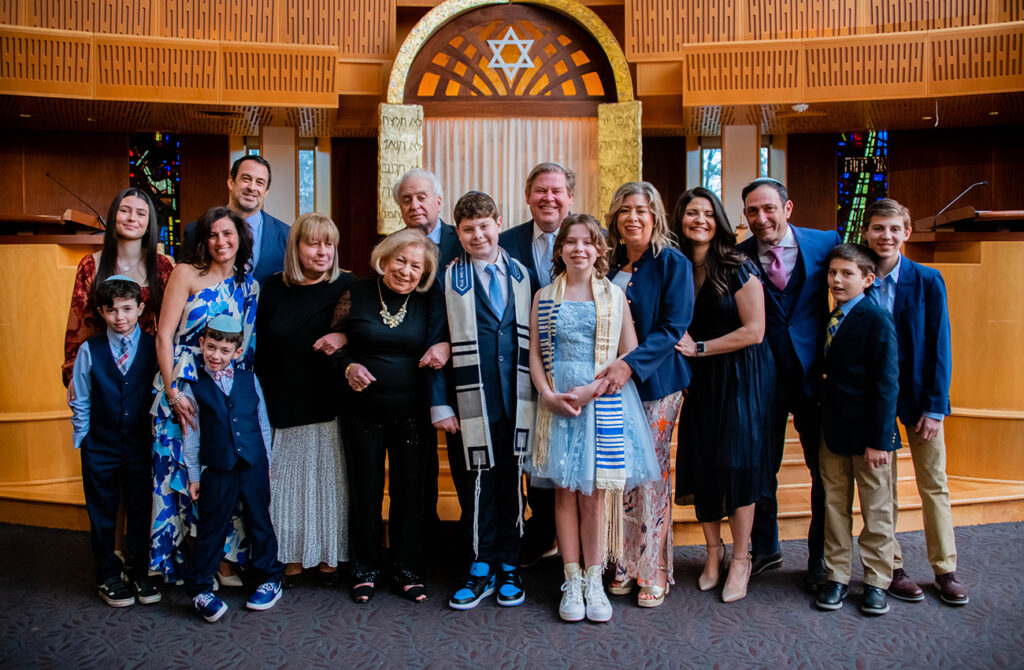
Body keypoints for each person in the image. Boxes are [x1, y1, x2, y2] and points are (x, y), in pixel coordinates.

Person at [529, 214, 660, 623]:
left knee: (595, 496)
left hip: (601, 401)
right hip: (559, 403)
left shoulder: (613, 296)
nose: (579, 248)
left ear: (599, 249)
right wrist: (548, 394)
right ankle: (570, 579)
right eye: (570, 242)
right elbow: (534, 354)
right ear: (560, 249)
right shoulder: (545, 295)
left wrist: (591, 390)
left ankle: (594, 579)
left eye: (588, 242)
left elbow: (628, 354)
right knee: (564, 494)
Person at [860, 199, 967, 606]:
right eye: (877, 229)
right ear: (866, 233)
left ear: (907, 233)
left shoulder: (927, 279)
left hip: (922, 399)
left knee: (933, 484)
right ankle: (892, 565)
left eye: (893, 229)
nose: (885, 236)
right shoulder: (859, 279)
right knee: (882, 489)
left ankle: (945, 569)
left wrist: (936, 406)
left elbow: (941, 345)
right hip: (877, 401)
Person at [671, 188, 776, 603]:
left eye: (707, 214)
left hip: (740, 374)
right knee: (702, 462)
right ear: (680, 219)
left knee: (736, 463)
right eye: (691, 213)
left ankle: (742, 557)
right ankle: (713, 554)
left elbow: (755, 330)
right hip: (701, 379)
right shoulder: (676, 267)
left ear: (718, 220)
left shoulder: (737, 265)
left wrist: (700, 348)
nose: (700, 220)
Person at [736, 177, 841, 592]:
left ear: (788, 208)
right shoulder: (737, 255)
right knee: (762, 465)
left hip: (817, 375)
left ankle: (820, 558)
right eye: (752, 212)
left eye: (768, 209)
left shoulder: (825, 243)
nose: (761, 219)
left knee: (823, 470)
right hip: (762, 376)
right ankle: (765, 547)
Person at [433, 191, 535, 610]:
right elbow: (435, 340)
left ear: (498, 222)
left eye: (484, 226)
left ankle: (509, 563)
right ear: (458, 232)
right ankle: (480, 565)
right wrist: (440, 402)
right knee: (477, 486)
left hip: (518, 399)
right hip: (469, 401)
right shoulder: (446, 278)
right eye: (468, 229)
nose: (478, 235)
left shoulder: (524, 276)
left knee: (512, 485)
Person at [332, 228, 443, 604]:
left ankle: (407, 569)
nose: (406, 271)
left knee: (409, 494)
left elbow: (443, 339)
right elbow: (333, 345)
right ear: (385, 257)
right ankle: (364, 570)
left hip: (412, 414)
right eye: (401, 260)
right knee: (364, 492)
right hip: (362, 412)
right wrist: (348, 367)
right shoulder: (356, 293)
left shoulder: (428, 301)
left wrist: (442, 346)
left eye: (416, 266)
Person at [150, 206, 260, 583]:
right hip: (183, 382)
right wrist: (171, 392)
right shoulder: (186, 274)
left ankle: (218, 561)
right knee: (179, 469)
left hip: (222, 387)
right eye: (213, 235)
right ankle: (177, 562)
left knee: (219, 470)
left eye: (228, 234)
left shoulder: (249, 285)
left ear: (240, 239)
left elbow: (245, 347)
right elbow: (164, 336)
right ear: (204, 239)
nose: (221, 242)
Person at [600, 181, 694, 607]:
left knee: (650, 473)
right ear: (615, 219)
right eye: (624, 211)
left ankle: (652, 566)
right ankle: (622, 560)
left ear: (655, 216)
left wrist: (629, 364)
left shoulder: (672, 262)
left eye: (640, 210)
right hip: (612, 386)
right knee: (619, 472)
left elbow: (672, 328)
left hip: (656, 385)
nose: (632, 218)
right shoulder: (611, 263)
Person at [255, 213, 354, 589]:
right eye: (313, 243)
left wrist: (344, 339)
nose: (323, 251)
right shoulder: (273, 288)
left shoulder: (348, 285)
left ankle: (328, 555)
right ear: (295, 247)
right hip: (282, 399)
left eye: (329, 243)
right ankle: (291, 556)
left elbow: (364, 330)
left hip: (329, 404)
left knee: (328, 485)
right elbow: (258, 346)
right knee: (286, 485)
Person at [181, 315, 284, 622]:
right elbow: (192, 435)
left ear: (237, 352)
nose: (216, 355)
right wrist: (194, 476)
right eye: (211, 347)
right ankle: (200, 588)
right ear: (201, 344)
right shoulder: (193, 385)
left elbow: (263, 422)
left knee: (259, 521)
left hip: (253, 463)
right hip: (217, 466)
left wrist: (267, 462)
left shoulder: (249, 379)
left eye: (225, 350)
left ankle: (268, 578)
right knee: (211, 527)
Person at [815, 244, 899, 616]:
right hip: (833, 431)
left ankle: (877, 581)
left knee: (876, 511)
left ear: (868, 279)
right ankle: (837, 576)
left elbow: (886, 383)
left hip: (869, 439)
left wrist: (879, 440)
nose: (837, 280)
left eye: (846, 274)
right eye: (833, 273)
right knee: (835, 508)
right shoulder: (831, 316)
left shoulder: (876, 319)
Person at [68, 276, 162, 607]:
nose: (119, 317)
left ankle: (139, 573)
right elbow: (80, 396)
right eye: (111, 310)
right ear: (101, 312)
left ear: (140, 308)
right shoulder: (89, 350)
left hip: (140, 446)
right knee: (103, 513)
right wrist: (84, 438)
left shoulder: (154, 347)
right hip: (101, 446)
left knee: (139, 510)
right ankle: (108, 574)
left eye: (126, 309)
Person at [499, 162, 576, 567]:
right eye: (540, 190)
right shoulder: (505, 241)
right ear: (527, 196)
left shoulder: (587, 237)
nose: (548, 198)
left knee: (573, 451)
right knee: (533, 452)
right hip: (518, 365)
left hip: (575, 366)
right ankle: (543, 530)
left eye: (556, 191)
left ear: (570, 198)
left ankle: (579, 541)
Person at [62, 187, 173, 388]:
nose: (132, 218)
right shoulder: (91, 265)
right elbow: (78, 329)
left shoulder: (162, 267)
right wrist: (73, 375)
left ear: (149, 223)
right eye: (125, 211)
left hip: (147, 366)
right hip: (101, 368)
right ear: (113, 216)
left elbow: (171, 327)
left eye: (141, 213)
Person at [180, 155, 289, 285]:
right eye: (246, 179)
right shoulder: (196, 231)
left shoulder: (286, 235)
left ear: (266, 191)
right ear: (231, 182)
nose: (252, 187)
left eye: (259, 182)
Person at [395, 168, 461, 266]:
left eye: (421, 198)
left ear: (438, 203)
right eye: (407, 200)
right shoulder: (391, 246)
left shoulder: (462, 240)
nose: (414, 206)